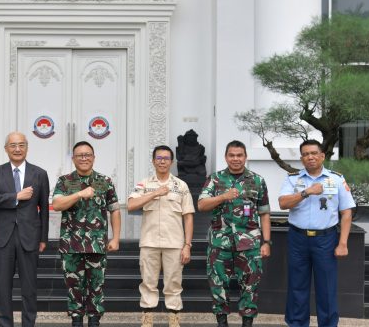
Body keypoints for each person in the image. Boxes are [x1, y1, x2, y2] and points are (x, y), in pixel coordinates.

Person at [278, 139, 355, 327]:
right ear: (301, 158)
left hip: (326, 239)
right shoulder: (293, 178)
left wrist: (343, 243)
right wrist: (307, 192)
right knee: (297, 285)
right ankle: (297, 323)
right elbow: (283, 203)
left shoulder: (336, 179)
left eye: (314, 153)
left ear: (322, 156)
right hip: (298, 238)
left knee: (327, 287)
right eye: (305, 154)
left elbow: (346, 212)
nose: (310, 157)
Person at [197, 140, 271, 327]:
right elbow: (201, 205)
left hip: (249, 244)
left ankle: (247, 322)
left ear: (245, 157)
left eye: (239, 155)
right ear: (226, 157)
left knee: (250, 285)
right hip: (219, 244)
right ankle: (222, 322)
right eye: (232, 155)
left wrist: (267, 242)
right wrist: (223, 196)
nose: (236, 159)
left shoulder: (257, 180)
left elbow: (264, 212)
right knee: (217, 285)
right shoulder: (215, 179)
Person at [52, 141, 121, 327]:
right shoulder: (64, 181)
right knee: (74, 287)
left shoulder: (105, 181)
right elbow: (57, 205)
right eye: (80, 155)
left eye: (87, 155)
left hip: (97, 244)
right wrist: (79, 194)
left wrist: (115, 238)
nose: (84, 158)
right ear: (73, 158)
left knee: (96, 287)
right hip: (71, 245)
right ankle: (76, 320)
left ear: (93, 157)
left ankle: (94, 320)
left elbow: (114, 210)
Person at [0, 131, 50, 327]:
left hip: (29, 237)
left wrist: (43, 238)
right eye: (13, 145)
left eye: (21, 145)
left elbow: (45, 209)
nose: (17, 149)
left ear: (27, 148)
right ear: (6, 149)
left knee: (29, 289)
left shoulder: (39, 173)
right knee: (3, 288)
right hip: (2, 237)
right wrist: (16, 196)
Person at [127, 145, 194, 327]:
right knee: (148, 282)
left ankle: (173, 319)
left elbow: (188, 216)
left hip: (174, 243)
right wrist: (155, 193)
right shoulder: (144, 184)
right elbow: (131, 205)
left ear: (172, 162)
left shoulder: (181, 186)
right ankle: (147, 319)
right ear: (153, 161)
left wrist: (187, 245)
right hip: (149, 242)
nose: (162, 161)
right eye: (159, 158)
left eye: (166, 158)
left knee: (173, 283)